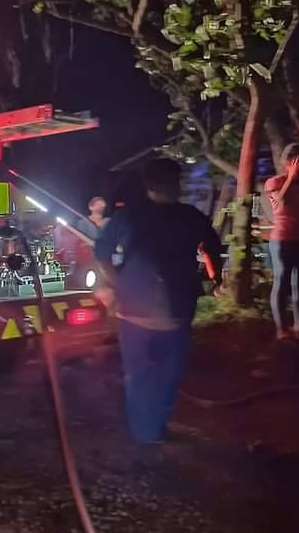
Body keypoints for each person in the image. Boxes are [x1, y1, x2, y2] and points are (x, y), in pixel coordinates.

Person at [94, 158, 223, 444]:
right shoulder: (191, 217)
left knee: (139, 376)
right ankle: (153, 429)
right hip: (175, 312)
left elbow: (101, 252)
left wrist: (117, 282)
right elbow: (212, 250)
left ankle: (145, 432)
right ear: (177, 185)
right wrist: (216, 279)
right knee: (168, 376)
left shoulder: (128, 216)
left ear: (148, 185)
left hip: (136, 311)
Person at [264, 144, 299, 341]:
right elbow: (279, 204)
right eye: (298, 160)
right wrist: (290, 178)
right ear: (288, 162)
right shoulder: (274, 182)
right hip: (282, 240)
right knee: (282, 282)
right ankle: (281, 329)